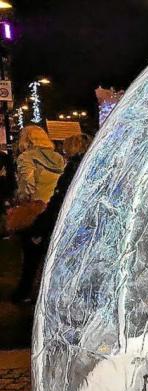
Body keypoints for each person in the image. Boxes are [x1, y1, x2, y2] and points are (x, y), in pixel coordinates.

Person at [9, 125, 65, 303]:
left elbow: (27, 185)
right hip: (55, 209)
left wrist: (19, 199)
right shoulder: (59, 158)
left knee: (30, 255)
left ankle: (24, 292)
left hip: (35, 209)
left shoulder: (26, 157)